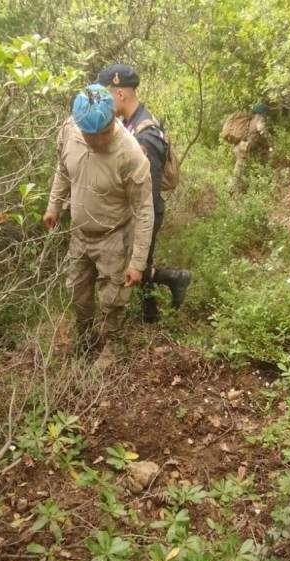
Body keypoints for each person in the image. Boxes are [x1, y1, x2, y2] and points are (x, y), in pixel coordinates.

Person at [43, 85, 155, 365]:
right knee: (77, 292)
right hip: (80, 233)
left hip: (114, 237)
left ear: (112, 119)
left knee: (113, 298)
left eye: (104, 132)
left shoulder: (130, 155)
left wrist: (138, 262)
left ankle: (112, 345)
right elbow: (63, 168)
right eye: (90, 135)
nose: (98, 140)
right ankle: (85, 336)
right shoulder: (70, 129)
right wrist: (53, 205)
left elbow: (144, 210)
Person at [96, 63, 191, 323]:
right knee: (141, 261)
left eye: (105, 95)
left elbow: (146, 191)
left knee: (136, 265)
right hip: (139, 210)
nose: (102, 102)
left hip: (145, 211)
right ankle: (150, 313)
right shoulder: (131, 122)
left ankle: (175, 279)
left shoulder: (144, 135)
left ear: (120, 94)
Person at [222, 102, 268, 191]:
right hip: (243, 148)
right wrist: (269, 146)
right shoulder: (259, 121)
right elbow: (263, 137)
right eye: (265, 112)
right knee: (239, 170)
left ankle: (239, 185)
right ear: (262, 113)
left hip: (238, 146)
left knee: (241, 168)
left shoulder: (251, 120)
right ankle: (230, 188)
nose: (265, 115)